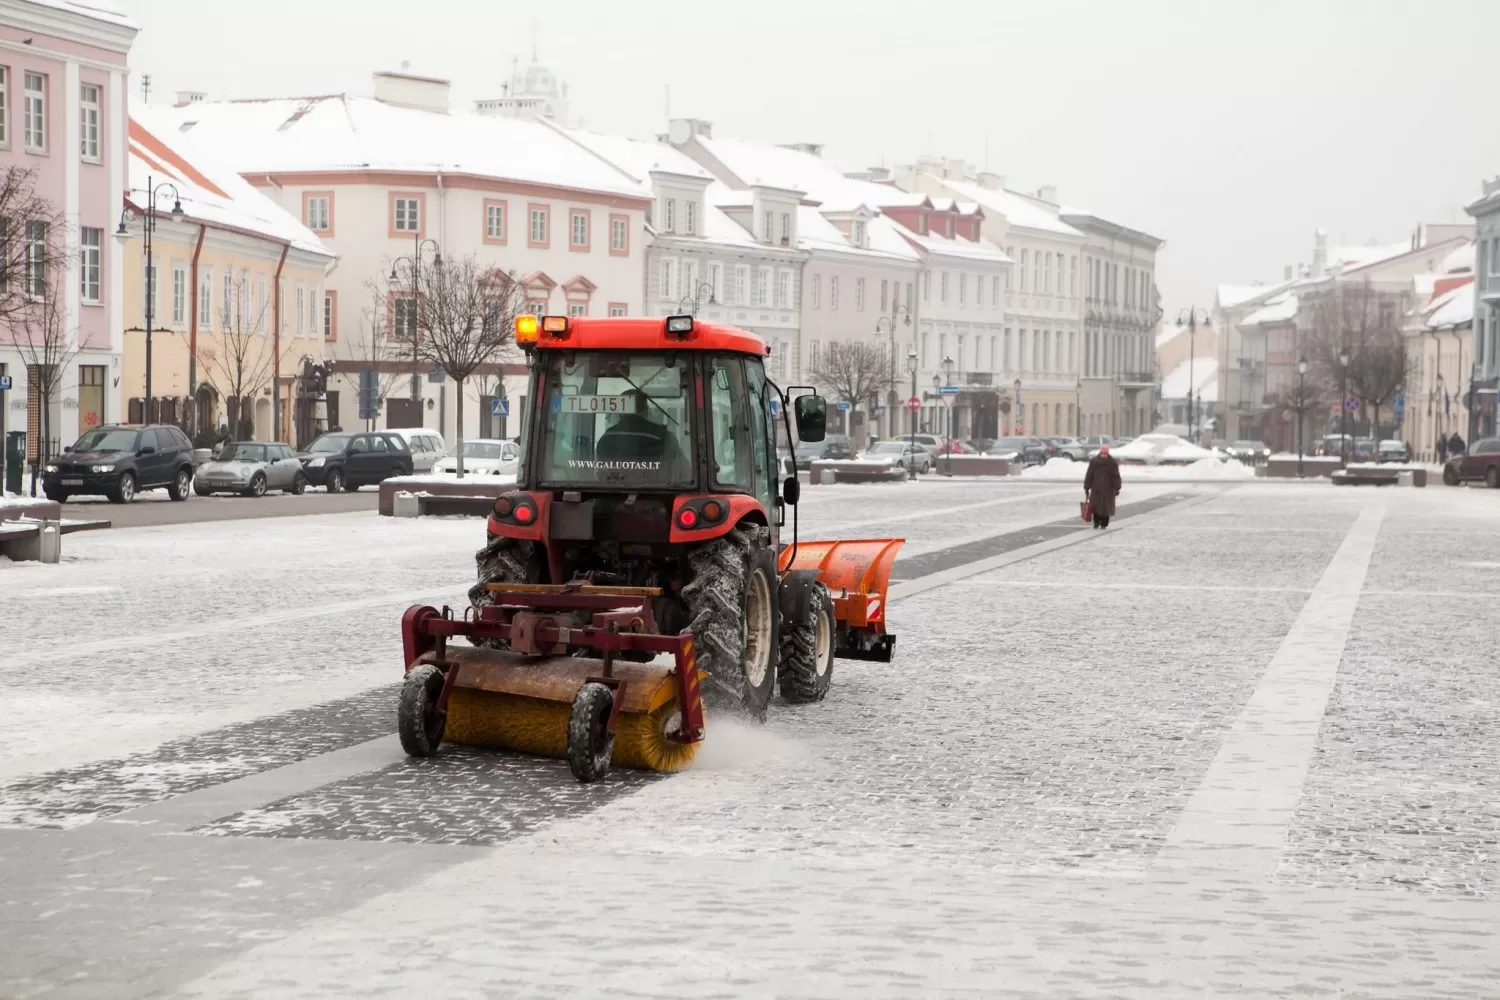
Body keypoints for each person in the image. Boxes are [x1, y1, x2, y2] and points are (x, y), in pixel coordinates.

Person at [1083, 444, 1122, 529]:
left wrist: (1117, 487)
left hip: (1108, 489)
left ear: (1108, 454)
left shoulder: (1112, 463)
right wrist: (1087, 486)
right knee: (1096, 507)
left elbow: (1116, 476)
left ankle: (1104, 524)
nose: (1104, 455)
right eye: (1102, 453)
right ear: (1100, 453)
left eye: (1105, 453)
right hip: (1096, 488)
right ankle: (1096, 523)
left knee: (1106, 508)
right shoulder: (1094, 462)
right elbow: (1089, 475)